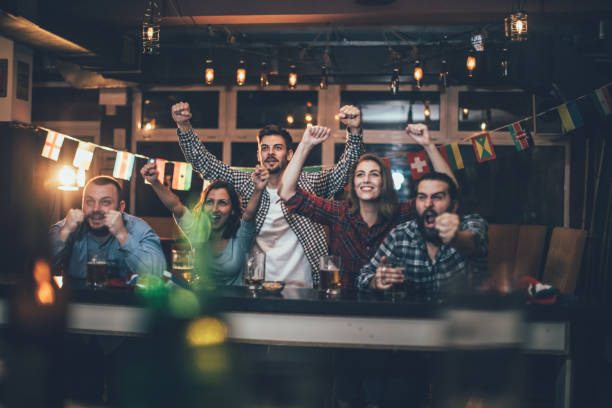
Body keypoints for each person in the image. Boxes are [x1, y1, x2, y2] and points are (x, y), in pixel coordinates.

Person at [171, 102, 365, 287]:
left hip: (306, 286)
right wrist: (184, 125)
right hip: (258, 286)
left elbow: (346, 172)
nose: (270, 153)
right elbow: (206, 164)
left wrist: (354, 132)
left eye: (277, 148)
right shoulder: (248, 184)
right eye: (265, 148)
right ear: (258, 155)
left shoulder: (311, 183)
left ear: (290, 155)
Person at [278, 123, 458, 287]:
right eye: (360, 174)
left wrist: (428, 145)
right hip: (342, 306)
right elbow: (287, 193)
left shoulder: (399, 213)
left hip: (387, 306)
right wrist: (306, 144)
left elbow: (449, 193)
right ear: (353, 183)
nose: (366, 180)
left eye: (374, 174)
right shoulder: (338, 212)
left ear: (383, 181)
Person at [357, 171, 488, 295]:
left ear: (454, 206)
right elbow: (364, 276)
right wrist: (376, 281)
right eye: (422, 197)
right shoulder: (400, 235)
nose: (428, 204)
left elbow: (472, 242)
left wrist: (455, 238)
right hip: (413, 317)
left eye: (437, 197)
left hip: (462, 316)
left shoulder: (470, 223)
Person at [140, 161, 268, 285]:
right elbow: (175, 206)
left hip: (235, 303)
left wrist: (258, 189)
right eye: (210, 202)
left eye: (222, 203)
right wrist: (155, 182)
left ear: (233, 210)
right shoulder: (197, 231)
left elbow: (249, 214)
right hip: (202, 303)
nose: (214, 209)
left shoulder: (241, 237)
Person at [49, 175, 166, 283]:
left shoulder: (139, 229)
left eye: (105, 202)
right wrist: (65, 232)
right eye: (89, 201)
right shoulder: (68, 226)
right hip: (76, 301)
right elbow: (37, 266)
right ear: (82, 204)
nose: (96, 209)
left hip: (126, 302)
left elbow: (158, 273)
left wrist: (122, 234)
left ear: (121, 207)